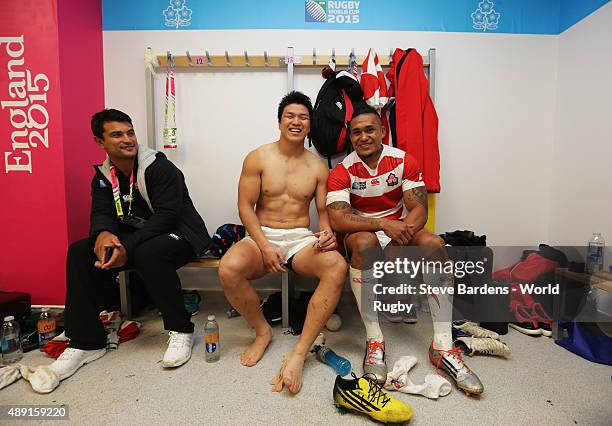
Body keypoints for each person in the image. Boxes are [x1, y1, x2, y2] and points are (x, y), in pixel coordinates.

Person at [326, 106, 484, 395]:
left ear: (382, 131)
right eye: (356, 132)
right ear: (350, 137)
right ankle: (375, 341)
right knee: (364, 242)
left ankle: (442, 346)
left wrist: (400, 236)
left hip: (400, 230)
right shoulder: (341, 171)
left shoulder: (403, 160)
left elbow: (418, 209)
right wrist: (384, 225)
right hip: (365, 232)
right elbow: (338, 219)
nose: (363, 137)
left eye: (369, 129)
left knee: (435, 245)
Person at [50, 109, 212, 382]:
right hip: (136, 239)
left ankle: (181, 329)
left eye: (130, 132)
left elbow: (167, 216)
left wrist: (127, 245)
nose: (127, 139)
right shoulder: (103, 176)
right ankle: (86, 342)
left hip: (180, 235)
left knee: (150, 252)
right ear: (99, 142)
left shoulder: (159, 167)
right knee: (79, 251)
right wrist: (102, 234)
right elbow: (101, 213)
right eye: (117, 134)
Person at [218, 91, 347, 394]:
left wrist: (326, 232)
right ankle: (263, 332)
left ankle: (300, 353)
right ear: (279, 121)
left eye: (303, 117)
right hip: (263, 234)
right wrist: (263, 245)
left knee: (336, 266)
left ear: (310, 124)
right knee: (228, 268)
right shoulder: (258, 157)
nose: (296, 121)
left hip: (300, 238)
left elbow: (323, 212)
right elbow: (245, 207)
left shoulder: (317, 167)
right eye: (290, 115)